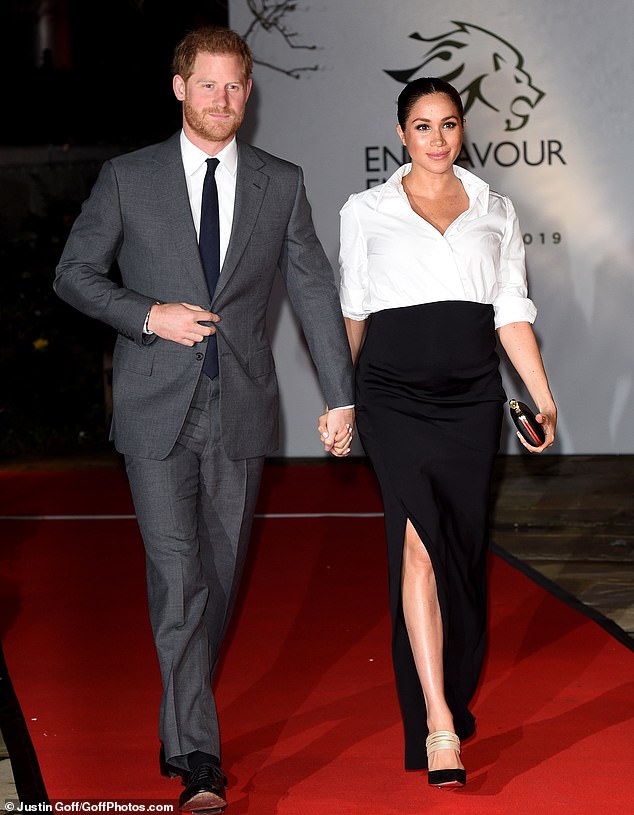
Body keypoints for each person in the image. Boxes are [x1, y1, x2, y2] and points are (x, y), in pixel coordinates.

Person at [54, 26, 354, 812]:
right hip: (156, 412)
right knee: (181, 578)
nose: (222, 100)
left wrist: (340, 392)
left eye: (235, 87)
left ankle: (178, 716)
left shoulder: (279, 183)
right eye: (208, 85)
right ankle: (200, 758)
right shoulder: (129, 178)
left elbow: (315, 289)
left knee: (213, 582)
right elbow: (75, 275)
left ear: (248, 96)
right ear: (179, 87)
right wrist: (150, 314)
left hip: (242, 410)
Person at [334, 77, 556, 788]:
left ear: (462, 131)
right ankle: (437, 723)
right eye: (422, 125)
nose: (436, 138)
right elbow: (353, 313)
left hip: (471, 400)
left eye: (448, 124)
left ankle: (451, 684)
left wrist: (542, 399)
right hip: (391, 396)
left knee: (460, 552)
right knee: (420, 545)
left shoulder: (495, 208)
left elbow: (512, 311)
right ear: (401, 133)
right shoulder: (364, 210)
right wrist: (342, 401)